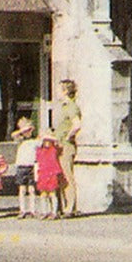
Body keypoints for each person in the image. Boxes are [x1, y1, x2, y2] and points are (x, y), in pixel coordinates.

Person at [55, 78, 83, 217]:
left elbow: (77, 124)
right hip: (59, 145)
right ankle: (64, 205)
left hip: (66, 146)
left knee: (67, 176)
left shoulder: (71, 106)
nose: (57, 92)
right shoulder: (64, 106)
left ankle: (70, 207)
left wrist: (68, 136)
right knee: (61, 177)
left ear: (65, 91)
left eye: (59, 90)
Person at [11, 117, 40, 218]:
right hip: (21, 166)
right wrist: (23, 130)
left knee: (32, 189)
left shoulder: (35, 141)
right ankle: (22, 209)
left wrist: (31, 129)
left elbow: (42, 141)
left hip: (31, 166)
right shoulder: (20, 140)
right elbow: (14, 135)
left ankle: (32, 209)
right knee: (22, 189)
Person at [34, 132, 63, 219]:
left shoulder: (53, 150)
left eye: (49, 141)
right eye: (45, 141)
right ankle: (44, 211)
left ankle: (54, 211)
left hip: (51, 173)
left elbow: (59, 144)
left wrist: (51, 137)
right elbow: (37, 162)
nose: (47, 143)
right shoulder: (39, 151)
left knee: (52, 193)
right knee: (43, 194)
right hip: (42, 173)